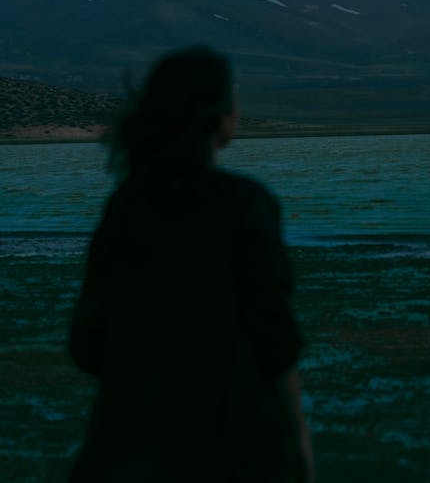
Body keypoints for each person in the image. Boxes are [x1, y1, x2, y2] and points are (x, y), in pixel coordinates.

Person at [67, 44, 315, 483]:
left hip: (123, 451)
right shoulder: (243, 204)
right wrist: (298, 445)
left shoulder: (126, 206)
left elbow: (88, 343)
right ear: (217, 114)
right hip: (232, 450)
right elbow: (275, 340)